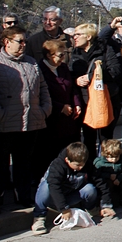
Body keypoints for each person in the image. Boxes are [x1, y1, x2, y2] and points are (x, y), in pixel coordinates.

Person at [0, 25, 52, 214]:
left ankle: (23, 196)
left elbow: (43, 87)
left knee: (23, 163)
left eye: (25, 41)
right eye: (19, 41)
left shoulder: (31, 62)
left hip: (30, 122)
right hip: (2, 125)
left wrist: (44, 110)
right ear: (7, 42)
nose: (23, 45)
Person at [31, 142, 114, 234]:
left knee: (90, 189)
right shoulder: (57, 165)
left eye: (83, 164)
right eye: (77, 165)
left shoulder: (88, 165)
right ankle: (39, 218)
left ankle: (91, 209)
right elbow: (54, 187)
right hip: (53, 198)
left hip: (70, 196)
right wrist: (64, 209)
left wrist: (106, 204)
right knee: (46, 185)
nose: (81, 167)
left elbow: (100, 182)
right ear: (67, 160)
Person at [69, 23, 121, 158]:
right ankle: (90, 166)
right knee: (88, 138)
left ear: (88, 37)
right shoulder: (74, 53)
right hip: (86, 101)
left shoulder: (105, 49)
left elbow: (115, 71)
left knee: (106, 139)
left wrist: (93, 76)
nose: (74, 37)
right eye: (74, 35)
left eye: (78, 34)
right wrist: (76, 80)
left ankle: (107, 165)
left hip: (106, 100)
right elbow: (69, 74)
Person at [38, 39, 82, 175]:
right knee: (52, 152)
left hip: (68, 118)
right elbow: (41, 94)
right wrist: (60, 107)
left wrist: (77, 104)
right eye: (60, 55)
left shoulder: (63, 68)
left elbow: (72, 87)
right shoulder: (40, 69)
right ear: (49, 55)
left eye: (64, 54)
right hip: (51, 119)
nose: (63, 58)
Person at [92, 139, 122, 209]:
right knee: (107, 185)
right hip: (106, 180)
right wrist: (108, 176)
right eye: (111, 157)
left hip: (119, 178)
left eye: (116, 157)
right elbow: (96, 174)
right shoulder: (99, 162)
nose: (114, 159)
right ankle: (107, 200)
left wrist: (120, 178)